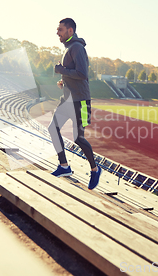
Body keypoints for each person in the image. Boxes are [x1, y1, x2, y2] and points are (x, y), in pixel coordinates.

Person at [48, 18, 102, 190]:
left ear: (70, 31)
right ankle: (64, 166)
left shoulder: (77, 47)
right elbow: (73, 75)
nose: (58, 32)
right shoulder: (69, 48)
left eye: (61, 29)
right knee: (52, 129)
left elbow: (82, 74)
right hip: (67, 100)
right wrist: (63, 81)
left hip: (81, 101)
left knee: (78, 138)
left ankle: (95, 169)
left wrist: (61, 70)